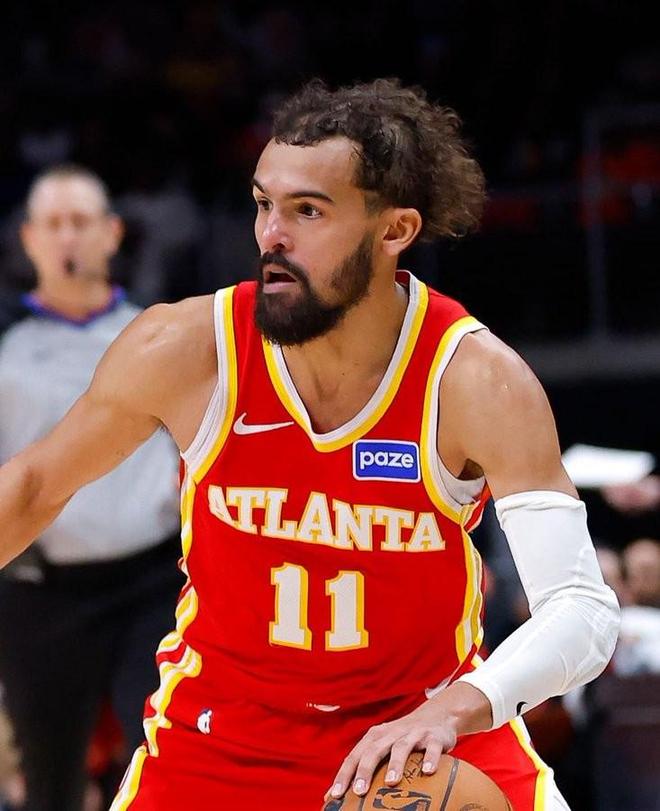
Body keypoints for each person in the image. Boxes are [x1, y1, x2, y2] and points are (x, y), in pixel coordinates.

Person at [0, 82, 619, 811]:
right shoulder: (187, 348)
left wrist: (455, 709)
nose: (272, 235)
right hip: (222, 737)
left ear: (395, 230)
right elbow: (34, 487)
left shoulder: (476, 380)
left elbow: (581, 609)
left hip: (421, 730)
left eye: (308, 211)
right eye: (264, 204)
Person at [0, 165, 182, 811]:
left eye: (80, 221)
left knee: (164, 758)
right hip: (42, 594)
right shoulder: (7, 348)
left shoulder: (160, 336)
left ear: (112, 233)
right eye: (53, 223)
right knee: (48, 779)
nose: (67, 236)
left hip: (153, 584)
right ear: (29, 240)